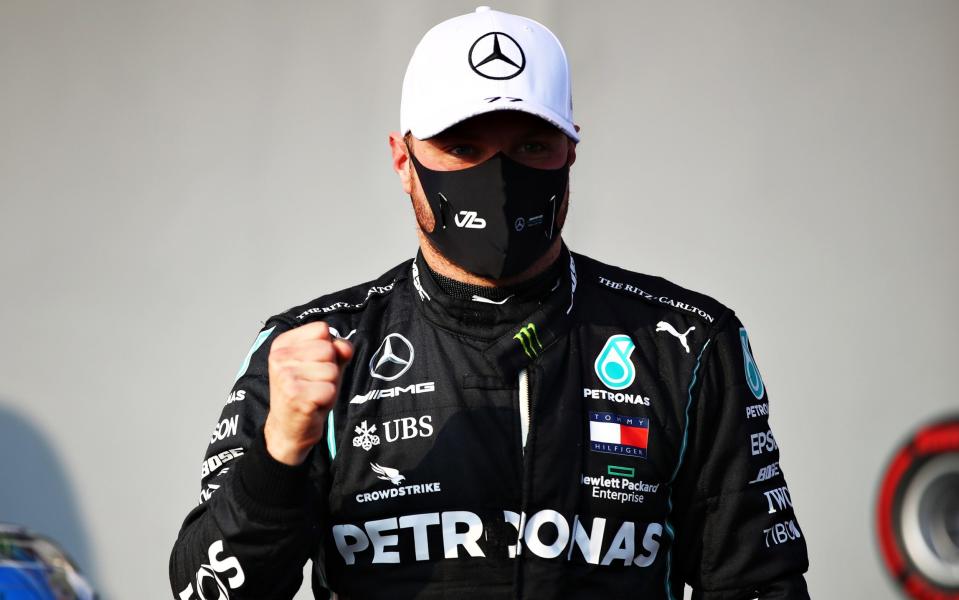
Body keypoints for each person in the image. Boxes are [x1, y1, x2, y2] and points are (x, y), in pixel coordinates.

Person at [169, 7, 810, 599]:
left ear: (571, 152)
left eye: (530, 146)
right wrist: (279, 452)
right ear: (402, 158)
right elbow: (204, 590)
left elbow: (761, 585)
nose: (498, 179)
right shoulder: (314, 351)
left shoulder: (686, 343)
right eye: (463, 148)